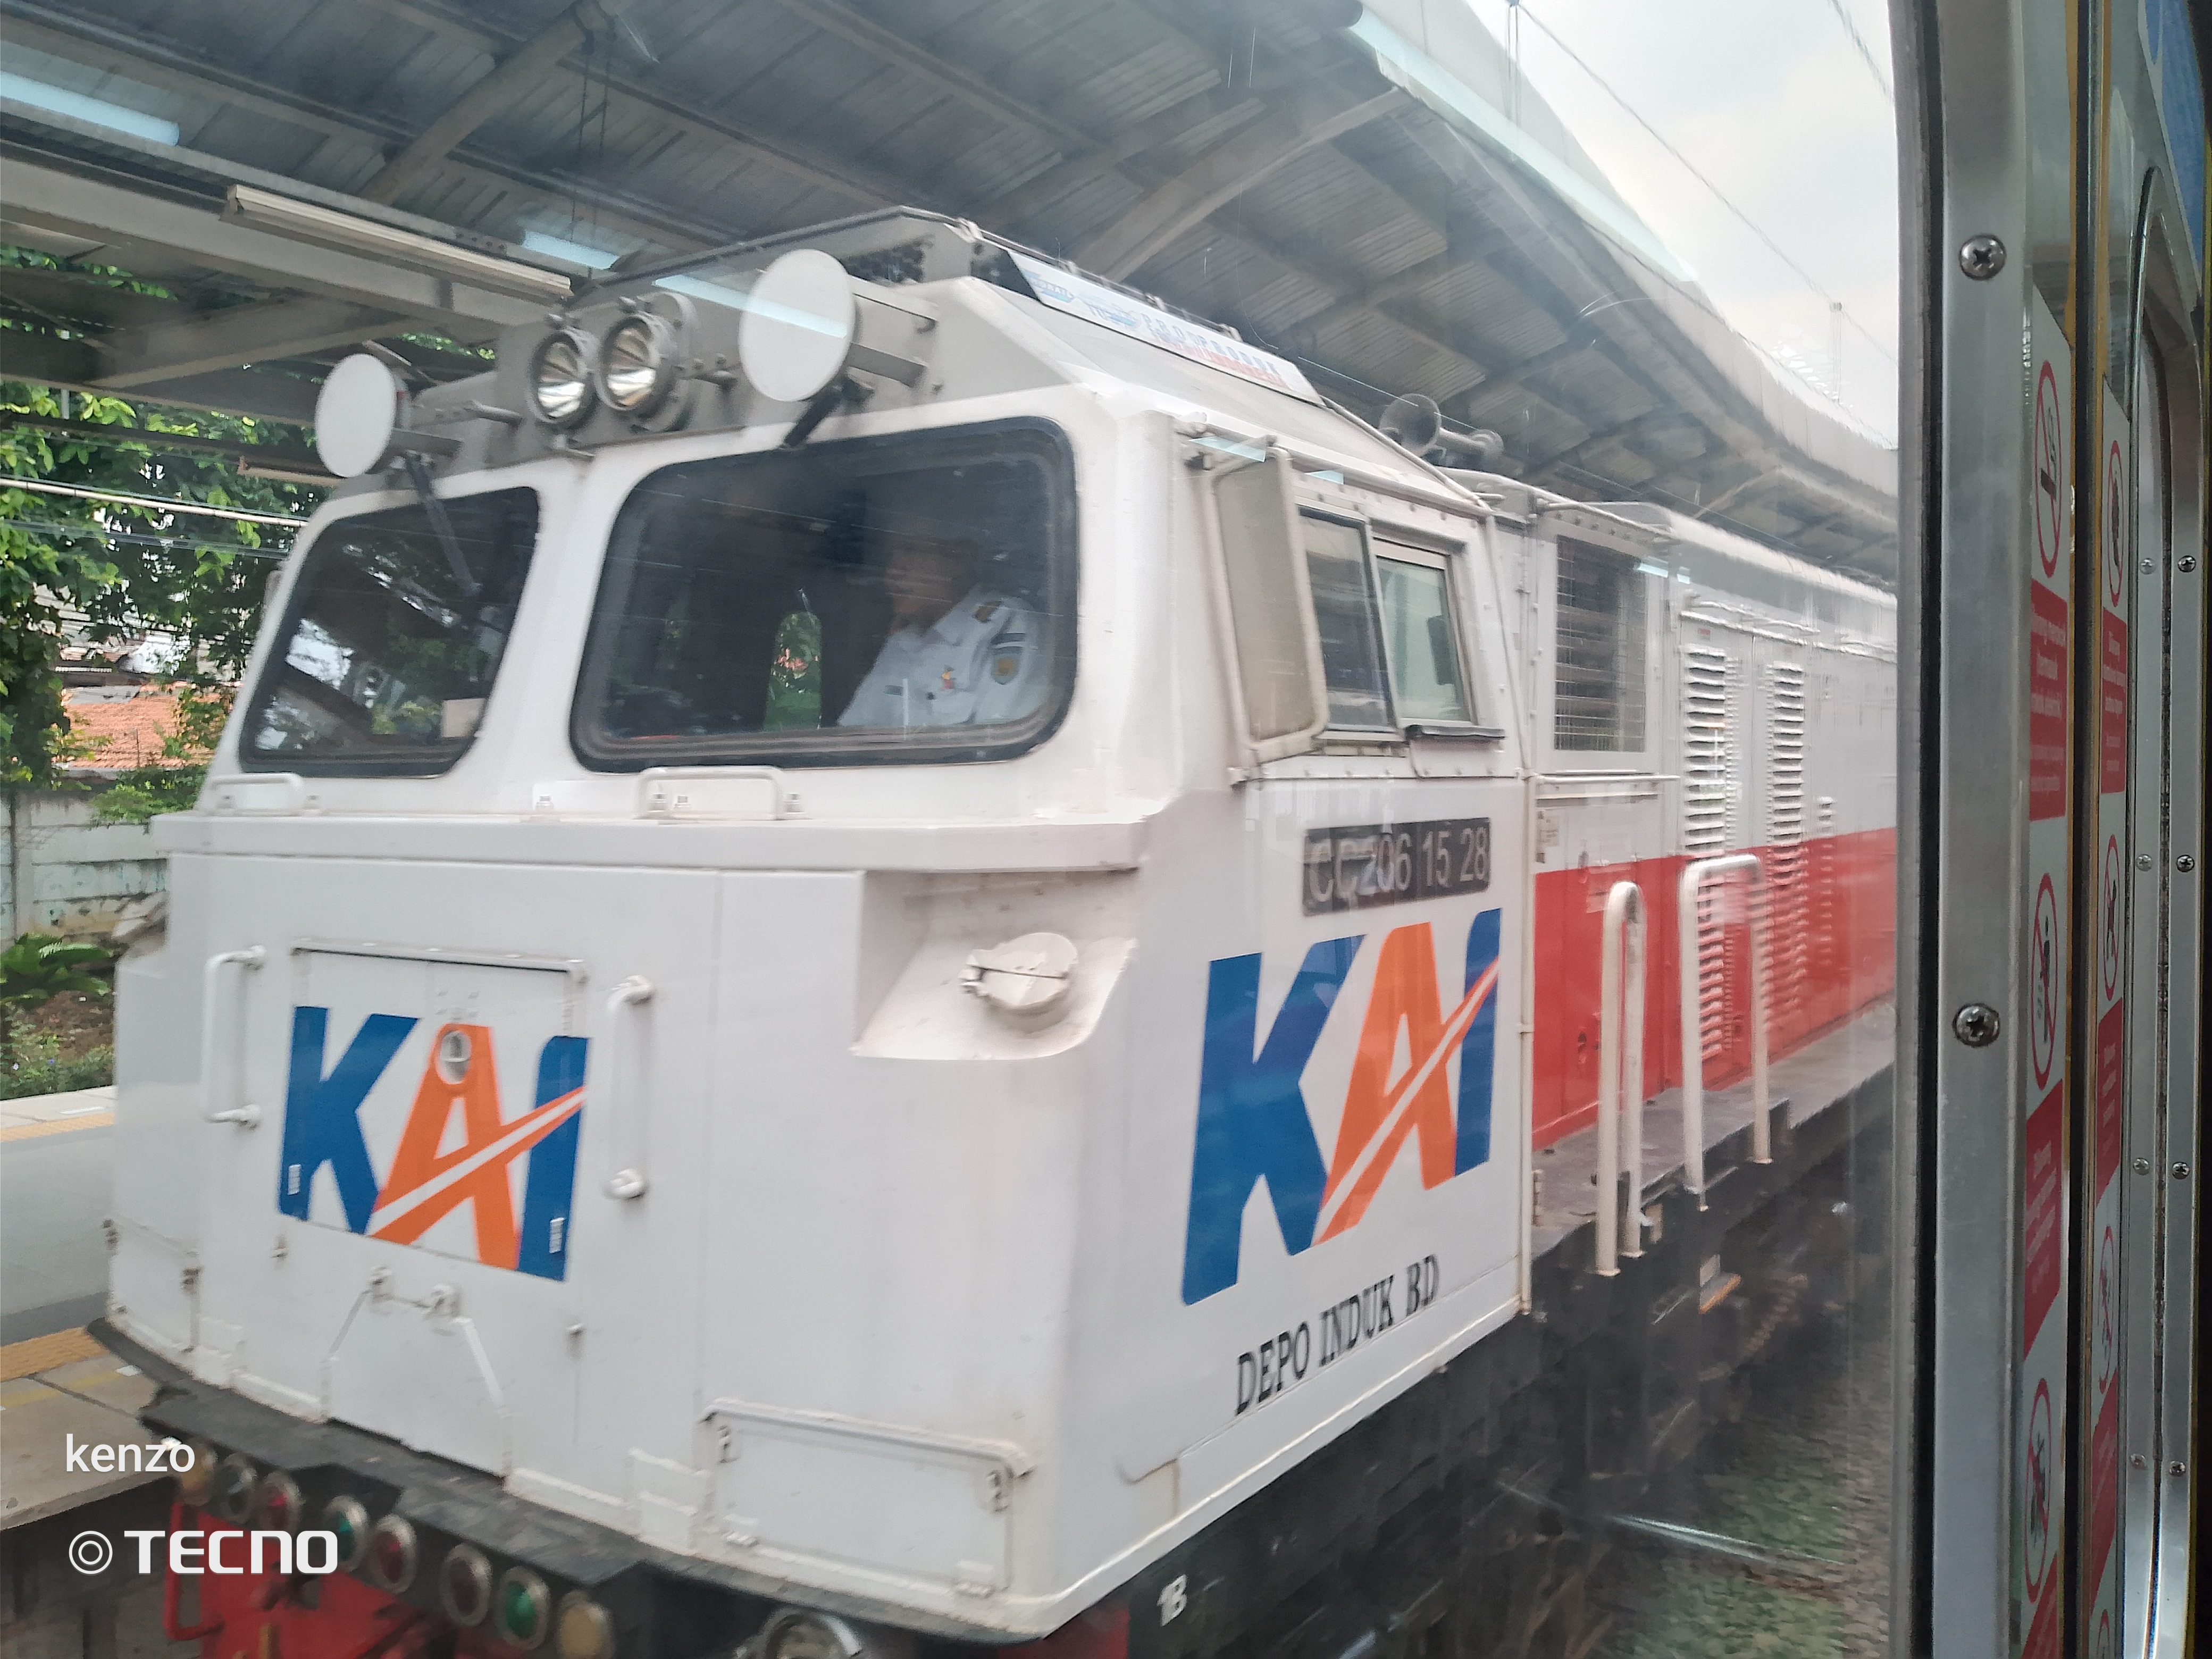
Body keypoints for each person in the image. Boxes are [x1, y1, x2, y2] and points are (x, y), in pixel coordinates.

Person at [837, 535, 1041, 728]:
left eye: (912, 551)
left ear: (957, 561)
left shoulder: (1004, 622)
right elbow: (857, 728)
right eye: (891, 555)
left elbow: (1000, 742)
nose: (894, 570)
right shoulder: (904, 637)